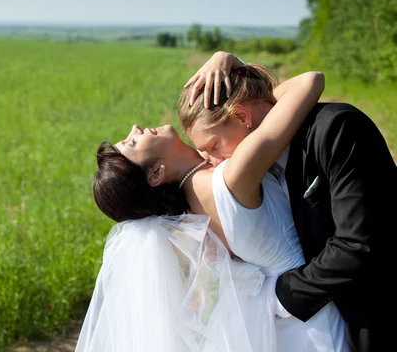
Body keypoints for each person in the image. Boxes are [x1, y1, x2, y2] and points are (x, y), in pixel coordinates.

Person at [77, 64, 348, 351]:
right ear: (156, 174)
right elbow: (307, 84)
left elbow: (254, 112)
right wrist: (234, 65)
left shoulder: (193, 206)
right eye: (133, 142)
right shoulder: (230, 179)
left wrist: (223, 59)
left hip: (284, 323)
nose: (136, 128)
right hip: (315, 317)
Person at [179, 51, 396, 352]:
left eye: (214, 147)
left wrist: (281, 297)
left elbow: (359, 243)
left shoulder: (337, 129)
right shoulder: (254, 165)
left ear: (242, 117)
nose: (216, 164)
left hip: (373, 315)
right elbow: (265, 104)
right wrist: (230, 61)